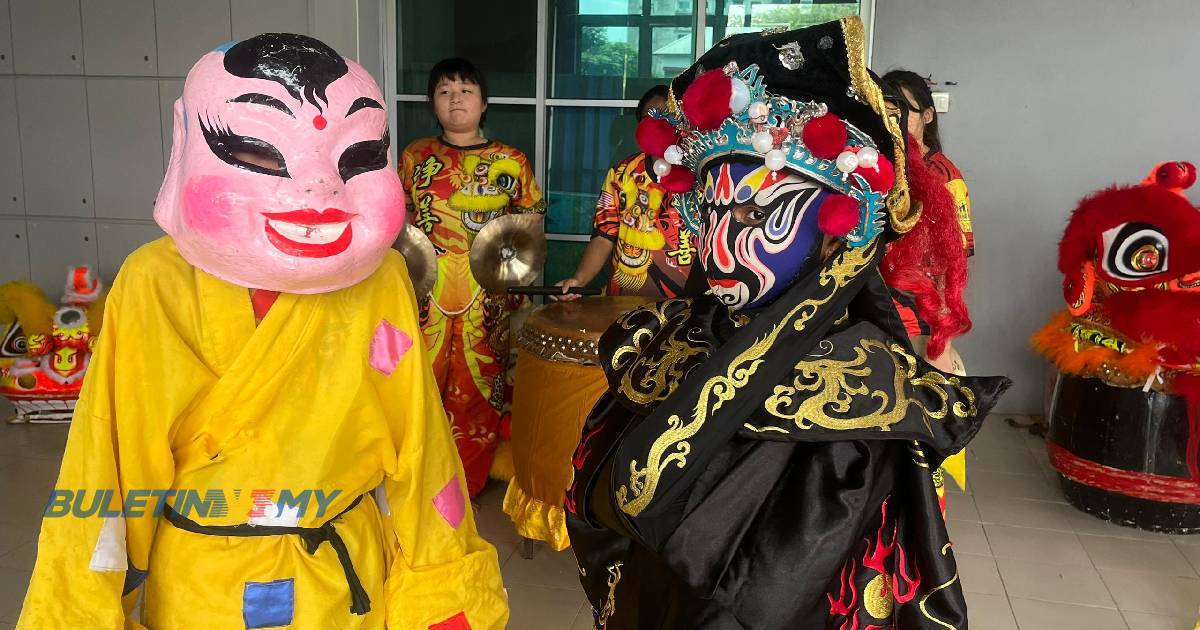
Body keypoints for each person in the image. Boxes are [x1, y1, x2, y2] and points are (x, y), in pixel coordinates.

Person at [16, 34, 507, 629]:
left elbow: (419, 446)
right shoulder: (155, 283)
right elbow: (109, 466)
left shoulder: (379, 280)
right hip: (203, 584)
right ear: (184, 147)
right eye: (258, 150)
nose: (321, 187)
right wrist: (85, 609)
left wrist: (439, 591)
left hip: (339, 579)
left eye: (354, 156)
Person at [565, 18, 1009, 629]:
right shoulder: (672, 343)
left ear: (835, 229)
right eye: (712, 207)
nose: (718, 241)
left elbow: (773, 594)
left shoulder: (857, 400)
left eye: (751, 210)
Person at [400, 58, 545, 498]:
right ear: (433, 104)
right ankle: (419, 479)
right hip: (426, 291)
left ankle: (466, 484)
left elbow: (530, 225)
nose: (455, 98)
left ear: (484, 104)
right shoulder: (416, 156)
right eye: (444, 91)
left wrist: (518, 290)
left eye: (465, 90)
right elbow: (400, 222)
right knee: (420, 383)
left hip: (488, 294)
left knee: (480, 386)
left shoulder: (510, 160)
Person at [554, 85, 698, 301]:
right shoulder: (622, 173)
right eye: (650, 120)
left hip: (683, 311)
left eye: (668, 119)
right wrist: (579, 280)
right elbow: (604, 237)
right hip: (622, 308)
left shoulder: (701, 175)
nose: (659, 127)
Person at [882, 69, 974, 257]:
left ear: (927, 115)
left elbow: (957, 253)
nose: (894, 119)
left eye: (904, 110)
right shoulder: (868, 161)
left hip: (915, 282)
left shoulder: (946, 177)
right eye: (885, 110)